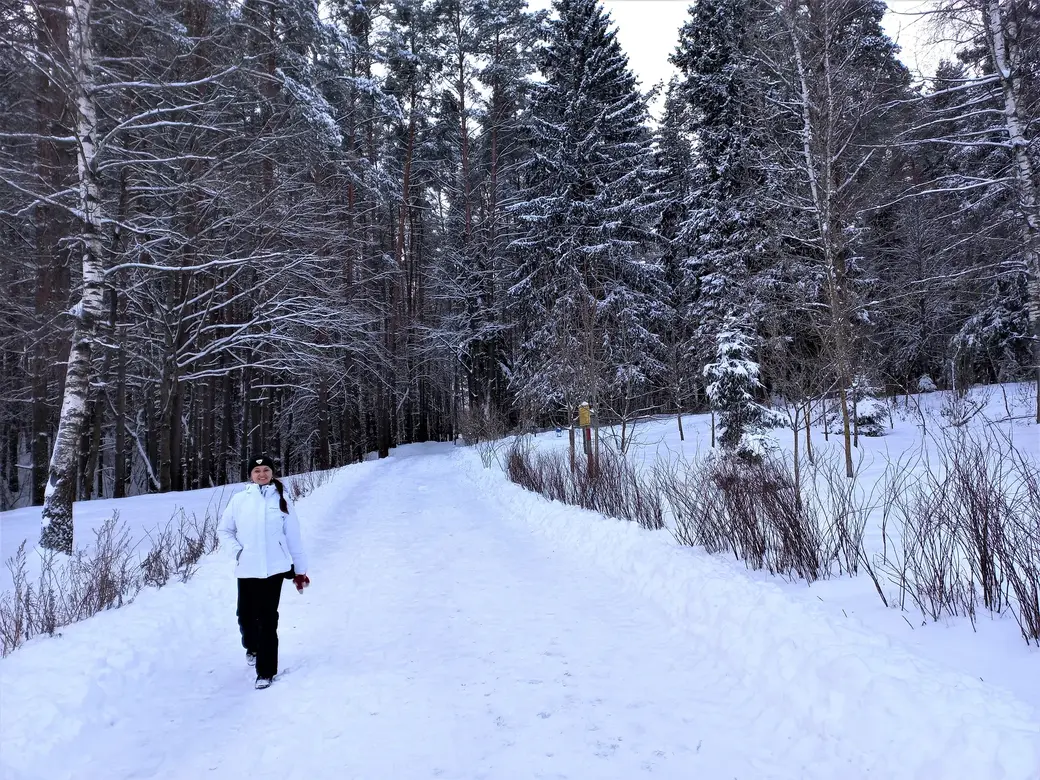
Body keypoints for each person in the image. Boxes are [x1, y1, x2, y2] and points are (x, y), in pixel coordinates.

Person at [218, 455, 310, 689]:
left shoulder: (282, 499)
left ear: (272, 473)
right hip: (247, 568)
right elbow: (224, 530)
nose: (262, 474)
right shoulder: (239, 500)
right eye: (257, 470)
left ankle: (266, 670)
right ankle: (253, 647)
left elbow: (294, 538)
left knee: (268, 619)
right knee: (246, 617)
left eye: (266, 470)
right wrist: (238, 552)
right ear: (250, 475)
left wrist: (300, 571)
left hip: (275, 570)